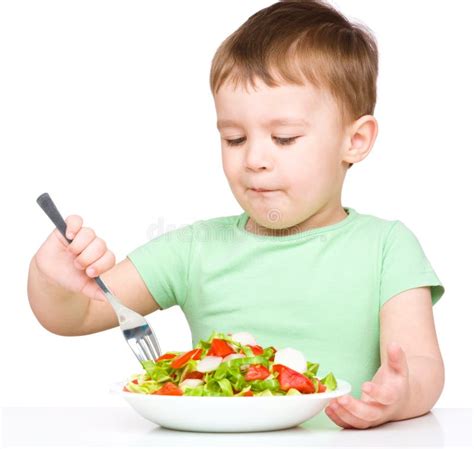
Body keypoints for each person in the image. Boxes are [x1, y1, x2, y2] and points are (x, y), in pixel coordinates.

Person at [27, 0, 445, 429]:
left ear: (355, 141)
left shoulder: (386, 247)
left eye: (284, 138)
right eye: (234, 138)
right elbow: (75, 314)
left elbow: (422, 364)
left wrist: (399, 394)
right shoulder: (194, 249)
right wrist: (50, 275)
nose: (255, 159)